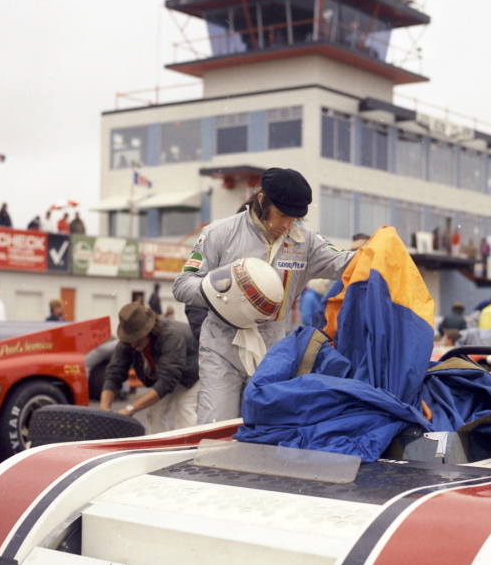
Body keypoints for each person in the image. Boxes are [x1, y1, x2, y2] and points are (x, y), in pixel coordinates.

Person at [173, 167, 354, 424]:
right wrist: (222, 290)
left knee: (265, 427)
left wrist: (380, 252)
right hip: (221, 346)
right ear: (261, 200)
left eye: (294, 218)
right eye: (282, 215)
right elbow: (182, 285)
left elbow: (347, 264)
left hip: (273, 351)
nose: (287, 225)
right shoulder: (219, 232)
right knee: (216, 426)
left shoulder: (306, 242)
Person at [100, 303, 199, 434]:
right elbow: (114, 373)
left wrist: (130, 408)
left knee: (184, 408)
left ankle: (188, 449)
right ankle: (160, 450)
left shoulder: (171, 336)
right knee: (154, 410)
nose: (133, 343)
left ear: (150, 331)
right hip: (169, 373)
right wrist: (104, 408)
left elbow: (167, 381)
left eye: (138, 338)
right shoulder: (127, 343)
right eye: (130, 339)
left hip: (194, 370)